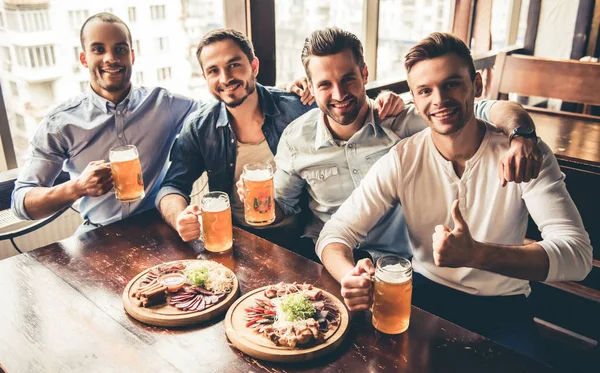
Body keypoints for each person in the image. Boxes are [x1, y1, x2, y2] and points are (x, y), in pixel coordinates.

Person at [316, 32, 593, 361]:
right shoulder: (403, 158)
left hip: (503, 305)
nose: (439, 100)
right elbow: (335, 233)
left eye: (451, 84)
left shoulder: (523, 154)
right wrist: (349, 274)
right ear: (415, 101)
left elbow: (578, 258)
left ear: (476, 85)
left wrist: (476, 254)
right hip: (422, 295)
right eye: (425, 91)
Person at [237, 27, 542, 263]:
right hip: (326, 255)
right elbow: (283, 207)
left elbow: (484, 109)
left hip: (398, 262)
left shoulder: (405, 119)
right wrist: (259, 204)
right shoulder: (296, 138)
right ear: (312, 87)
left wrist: (522, 133)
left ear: (365, 74)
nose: (339, 93)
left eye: (348, 79)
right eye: (325, 85)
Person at [156, 28, 404, 248]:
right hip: (234, 237)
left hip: (296, 239)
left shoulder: (296, 107)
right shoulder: (201, 127)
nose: (225, 78)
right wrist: (180, 218)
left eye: (234, 65)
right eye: (213, 71)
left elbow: (339, 106)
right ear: (205, 78)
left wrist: (383, 100)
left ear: (254, 67)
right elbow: (172, 186)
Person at [11, 12, 200, 233]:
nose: (111, 58)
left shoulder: (164, 104)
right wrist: (77, 187)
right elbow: (21, 202)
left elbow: (218, 116)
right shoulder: (60, 123)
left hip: (159, 229)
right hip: (98, 234)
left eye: (120, 49)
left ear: (132, 56)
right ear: (84, 59)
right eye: (98, 49)